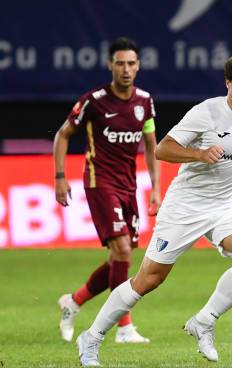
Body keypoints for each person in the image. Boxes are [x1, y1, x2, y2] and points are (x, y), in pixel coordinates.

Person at [75, 50, 232, 367]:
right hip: (185, 206)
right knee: (149, 279)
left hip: (222, 205)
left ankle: (204, 320)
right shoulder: (206, 112)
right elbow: (164, 148)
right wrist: (199, 154)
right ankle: (92, 337)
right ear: (228, 83)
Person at [54, 37, 160, 344]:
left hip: (129, 185)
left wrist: (155, 189)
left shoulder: (144, 101)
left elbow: (152, 146)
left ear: (138, 66)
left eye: (131, 64)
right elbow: (63, 135)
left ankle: (73, 301)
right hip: (99, 181)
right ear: (109, 65)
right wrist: (60, 177)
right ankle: (124, 327)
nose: (126, 69)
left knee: (120, 256)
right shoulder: (94, 100)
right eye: (120, 63)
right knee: (123, 250)